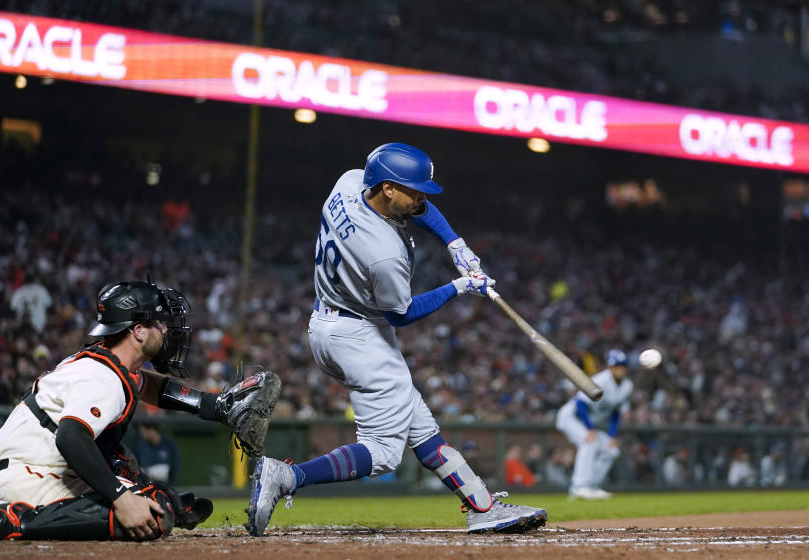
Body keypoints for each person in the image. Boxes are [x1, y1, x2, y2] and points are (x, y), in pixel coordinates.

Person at [247, 142, 547, 535]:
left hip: (328, 320)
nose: (422, 197)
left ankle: (482, 505)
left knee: (420, 427)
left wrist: (454, 242)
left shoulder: (351, 183)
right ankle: (287, 477)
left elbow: (419, 210)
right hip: (359, 335)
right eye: (414, 189)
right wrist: (459, 287)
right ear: (388, 188)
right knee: (384, 452)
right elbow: (401, 314)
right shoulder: (383, 253)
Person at [0, 280, 273, 541]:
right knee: (150, 513)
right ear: (139, 331)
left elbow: (151, 387)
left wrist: (214, 405)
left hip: (28, 467)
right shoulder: (103, 378)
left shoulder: (108, 365)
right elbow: (70, 436)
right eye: (159, 322)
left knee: (145, 488)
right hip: (27, 476)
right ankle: (10, 522)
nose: (166, 328)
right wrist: (121, 498)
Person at [555, 349, 634, 500]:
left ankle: (591, 486)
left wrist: (612, 435)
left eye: (622, 366)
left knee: (611, 451)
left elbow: (616, 413)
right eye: (616, 366)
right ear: (610, 367)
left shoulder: (627, 386)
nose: (619, 369)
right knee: (589, 442)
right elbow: (580, 403)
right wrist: (590, 429)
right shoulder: (601, 380)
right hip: (571, 417)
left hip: (587, 422)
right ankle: (578, 487)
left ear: (627, 368)